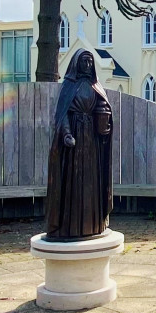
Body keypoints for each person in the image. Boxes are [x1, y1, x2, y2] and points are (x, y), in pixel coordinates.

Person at [44, 49, 113, 240]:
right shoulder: (69, 85)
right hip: (74, 141)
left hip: (92, 143)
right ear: (76, 63)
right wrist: (66, 133)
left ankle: (94, 223)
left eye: (90, 61)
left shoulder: (95, 86)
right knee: (74, 181)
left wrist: (104, 123)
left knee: (92, 181)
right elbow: (62, 113)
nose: (88, 64)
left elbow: (105, 110)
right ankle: (71, 227)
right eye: (85, 61)